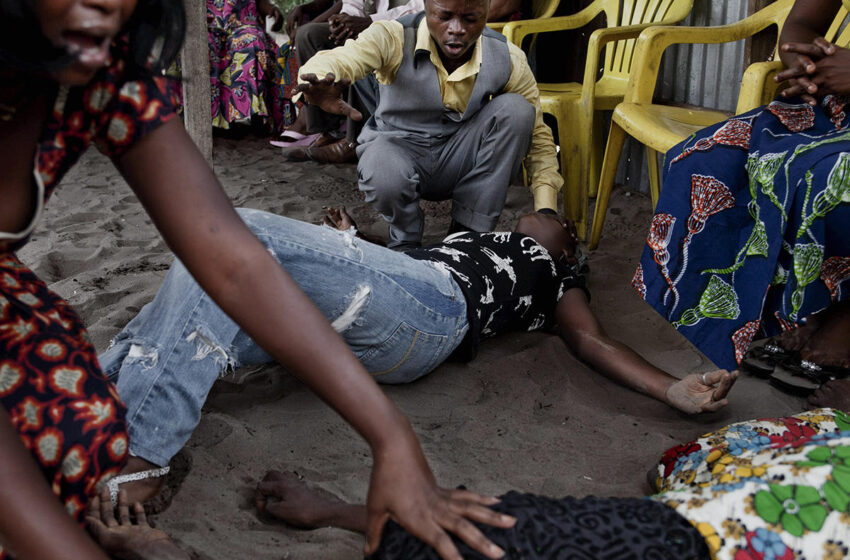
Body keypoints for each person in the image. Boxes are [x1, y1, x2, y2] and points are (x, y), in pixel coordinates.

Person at [0, 2, 512, 559]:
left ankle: (121, 463)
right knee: (66, 427)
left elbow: (229, 255)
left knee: (87, 419)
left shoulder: (101, 69)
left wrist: (393, 440)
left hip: (428, 303)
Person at [98, 204, 735, 524]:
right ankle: (102, 388)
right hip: (390, 309)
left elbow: (594, 344)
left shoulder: (553, 278)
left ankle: (146, 450)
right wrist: (349, 243)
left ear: (567, 249)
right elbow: (382, 273)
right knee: (218, 292)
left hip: (434, 313)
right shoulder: (471, 243)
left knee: (230, 231)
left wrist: (668, 387)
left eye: (557, 220)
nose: (543, 213)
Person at [249, 407, 850, 559]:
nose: (543, 213)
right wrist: (336, 510)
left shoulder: (554, 277)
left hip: (717, 533)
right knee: (442, 539)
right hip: (718, 525)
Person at [632, 0, 850, 388]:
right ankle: (797, 311)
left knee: (829, 177)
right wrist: (807, 67)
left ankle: (839, 314)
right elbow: (803, 20)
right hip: (835, 106)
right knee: (702, 157)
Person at [293, 0, 563, 247]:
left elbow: (538, 137)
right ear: (425, 6)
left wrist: (546, 209)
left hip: (460, 158)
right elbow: (345, 57)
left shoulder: (508, 57)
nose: (456, 29)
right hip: (398, 151)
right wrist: (318, 78)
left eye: (470, 18)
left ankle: (466, 234)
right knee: (381, 164)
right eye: (444, 16)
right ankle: (405, 240)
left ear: (486, 11)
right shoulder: (392, 36)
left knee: (518, 111)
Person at [283, 0, 524, 161]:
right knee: (324, 38)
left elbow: (427, 8)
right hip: (382, 26)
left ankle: (359, 141)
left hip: (413, 25)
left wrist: (371, 22)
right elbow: (354, 3)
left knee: (377, 43)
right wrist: (344, 19)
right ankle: (332, 133)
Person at [206, 0, 293, 135]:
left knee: (252, 41)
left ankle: (258, 114)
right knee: (199, 47)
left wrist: (271, 9)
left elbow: (258, 2)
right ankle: (213, 120)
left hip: (242, 26)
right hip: (206, 28)